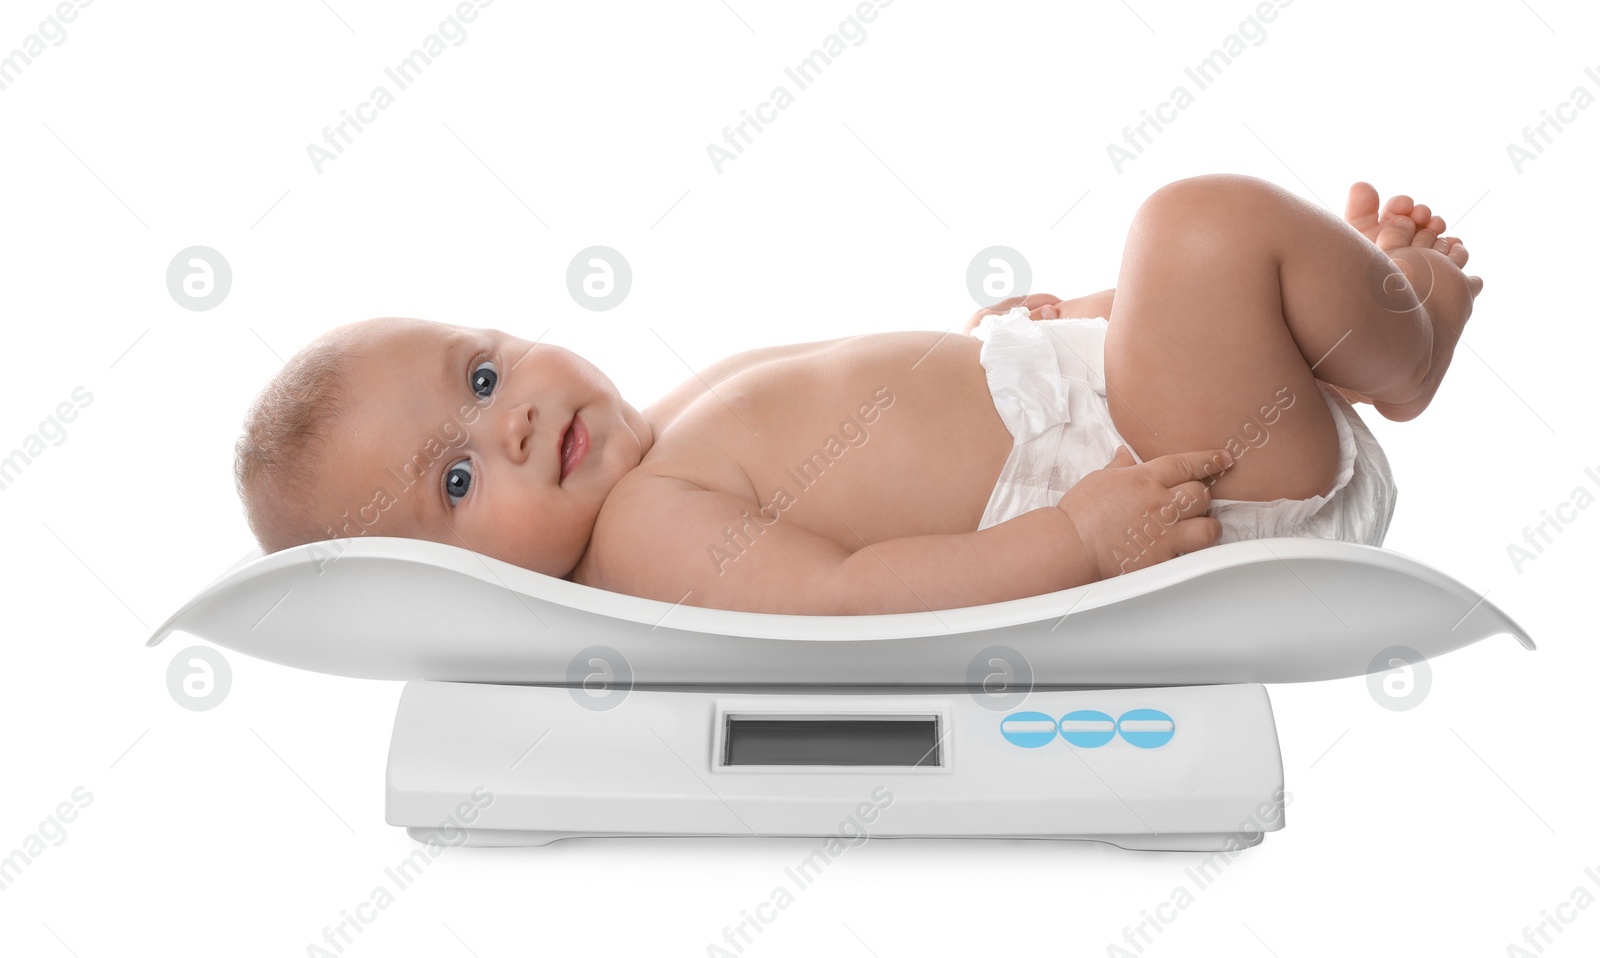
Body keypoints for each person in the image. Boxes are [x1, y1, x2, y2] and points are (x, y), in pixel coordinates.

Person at [232, 174, 1479, 614]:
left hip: (1143, 422)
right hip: (1189, 487)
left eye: (483, 371)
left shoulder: (670, 426)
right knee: (1194, 230)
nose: (505, 420)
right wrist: (1078, 538)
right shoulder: (646, 535)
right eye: (455, 480)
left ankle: (1350, 310)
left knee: (1168, 273)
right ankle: (1406, 341)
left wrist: (1036, 339)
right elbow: (846, 597)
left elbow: (891, 424)